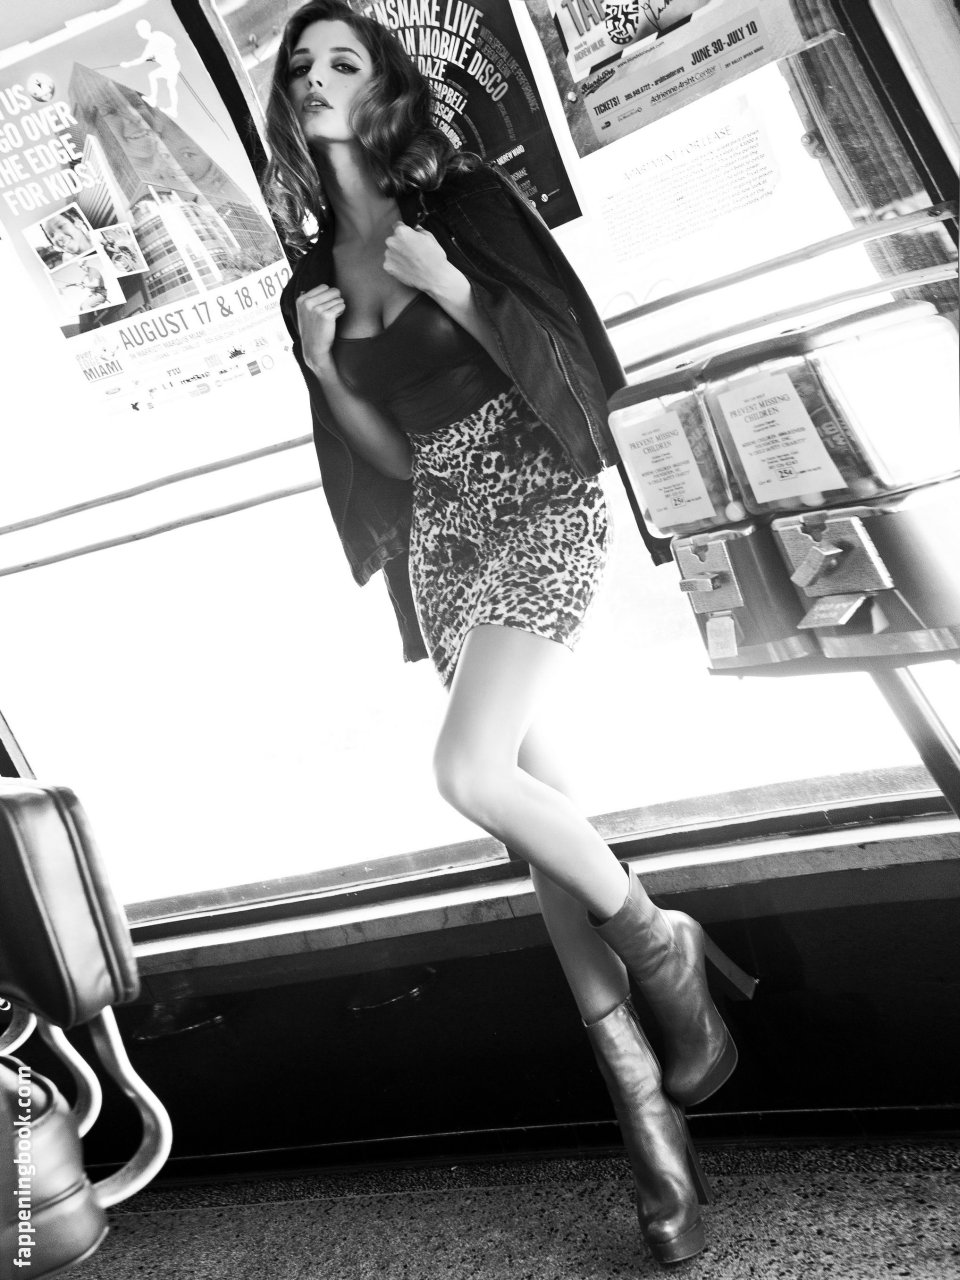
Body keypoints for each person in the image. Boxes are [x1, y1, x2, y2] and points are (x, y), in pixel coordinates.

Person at [263, 1, 742, 1264]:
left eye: (341, 61)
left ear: (384, 87)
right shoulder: (306, 285)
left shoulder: (466, 204)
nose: (314, 78)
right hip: (445, 526)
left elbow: (562, 354)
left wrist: (450, 286)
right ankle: (646, 1113)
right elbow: (387, 461)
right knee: (533, 809)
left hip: (538, 492)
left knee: (470, 771)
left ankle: (665, 942)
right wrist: (325, 368)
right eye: (299, 66)